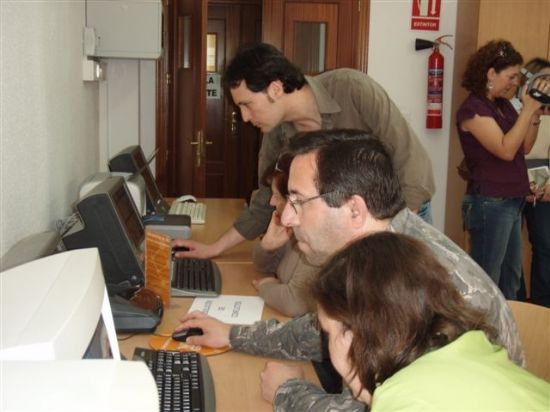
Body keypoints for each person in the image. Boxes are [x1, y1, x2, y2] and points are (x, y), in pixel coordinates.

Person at [175, 130, 525, 411]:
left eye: (297, 201)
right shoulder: (381, 255)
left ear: (354, 211)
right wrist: (234, 336)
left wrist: (288, 393)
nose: (287, 217)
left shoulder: (411, 285)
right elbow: (320, 331)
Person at [172, 42, 435, 260]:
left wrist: (387, 235)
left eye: (247, 104)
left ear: (275, 89)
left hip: (402, 215)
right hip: (345, 230)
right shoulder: (276, 132)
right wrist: (214, 248)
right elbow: (267, 199)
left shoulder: (353, 90)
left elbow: (415, 170)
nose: (244, 117)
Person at [302, 232, 549, 411]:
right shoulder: (477, 350)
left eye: (328, 333)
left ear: (353, 333)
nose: (329, 347)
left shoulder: (405, 398)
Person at [456, 40, 550, 299]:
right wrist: (528, 108)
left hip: (511, 201)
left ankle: (506, 335)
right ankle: (483, 335)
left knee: (511, 278)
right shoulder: (473, 110)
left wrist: (534, 113)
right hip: (489, 202)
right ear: (490, 74)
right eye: (511, 77)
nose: (514, 83)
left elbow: (525, 147)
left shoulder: (504, 106)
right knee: (488, 279)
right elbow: (506, 149)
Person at [252, 155, 319, 317]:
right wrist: (267, 245)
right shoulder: (294, 228)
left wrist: (265, 286)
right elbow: (263, 267)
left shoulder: (317, 238)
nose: (271, 203)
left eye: (277, 196)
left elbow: (295, 303)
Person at [519, 58, 550, 306]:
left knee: (545, 245)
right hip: (512, 184)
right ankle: (516, 301)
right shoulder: (515, 108)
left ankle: (542, 306)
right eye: (543, 79)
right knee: (510, 252)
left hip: (545, 186)